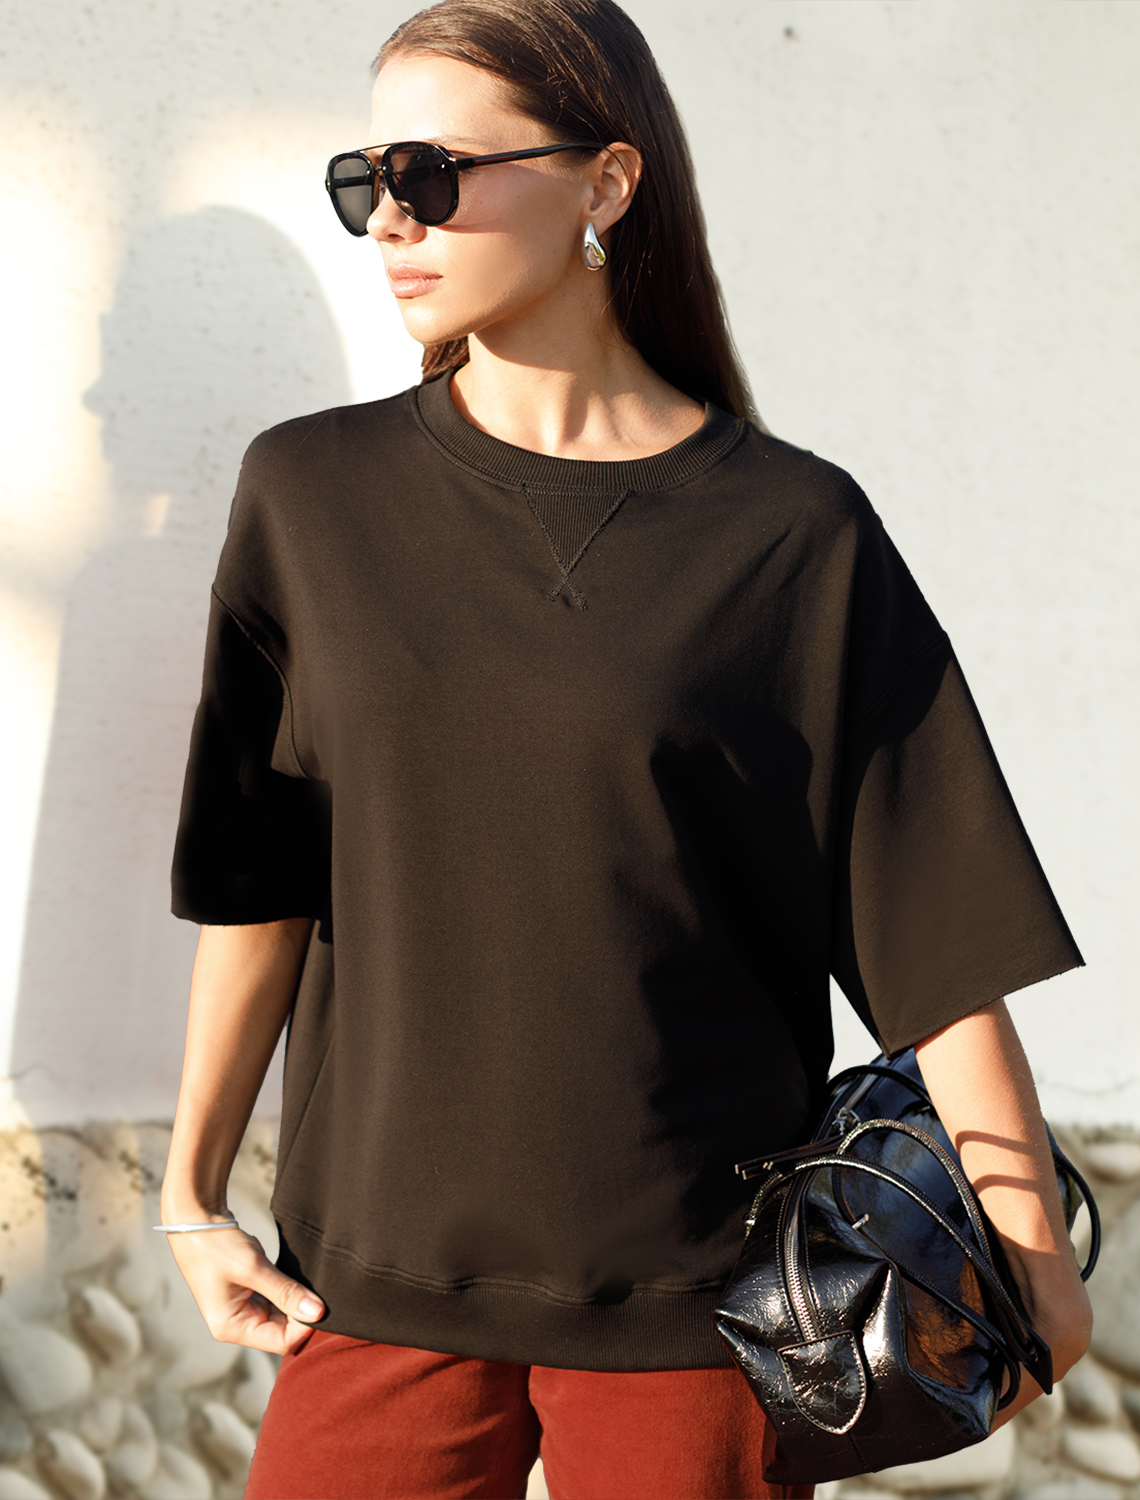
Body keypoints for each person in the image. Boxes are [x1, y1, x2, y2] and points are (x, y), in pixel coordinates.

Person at [160, 2, 1093, 1496]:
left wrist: (1031, 1245)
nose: (391, 219)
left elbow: (931, 926)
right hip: (374, 1284)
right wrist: (190, 1192)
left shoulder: (794, 531)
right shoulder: (310, 496)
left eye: (432, 173)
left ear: (605, 179)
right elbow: (261, 881)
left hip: (705, 1302)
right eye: (366, 181)